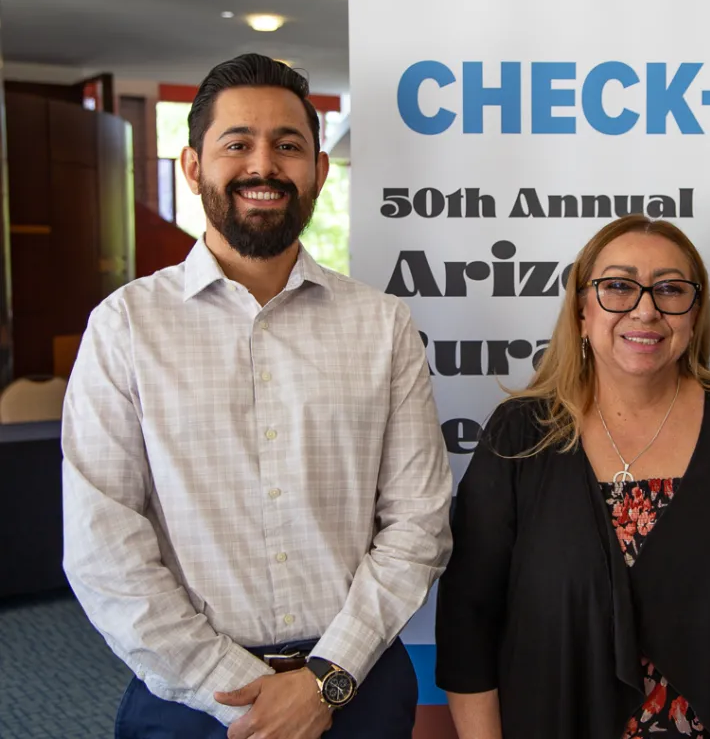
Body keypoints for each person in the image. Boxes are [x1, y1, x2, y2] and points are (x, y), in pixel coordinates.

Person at [62, 53, 453, 739]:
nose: (263, 166)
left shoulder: (381, 324)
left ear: (319, 171)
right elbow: (104, 550)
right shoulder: (125, 328)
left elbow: (418, 525)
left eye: (289, 145)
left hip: (357, 688)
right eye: (237, 143)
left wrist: (325, 682)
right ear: (193, 167)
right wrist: (237, 698)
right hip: (188, 703)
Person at [435, 215, 710, 739]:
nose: (646, 309)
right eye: (618, 286)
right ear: (580, 311)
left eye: (670, 289)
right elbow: (468, 617)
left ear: (694, 313)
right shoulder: (523, 433)